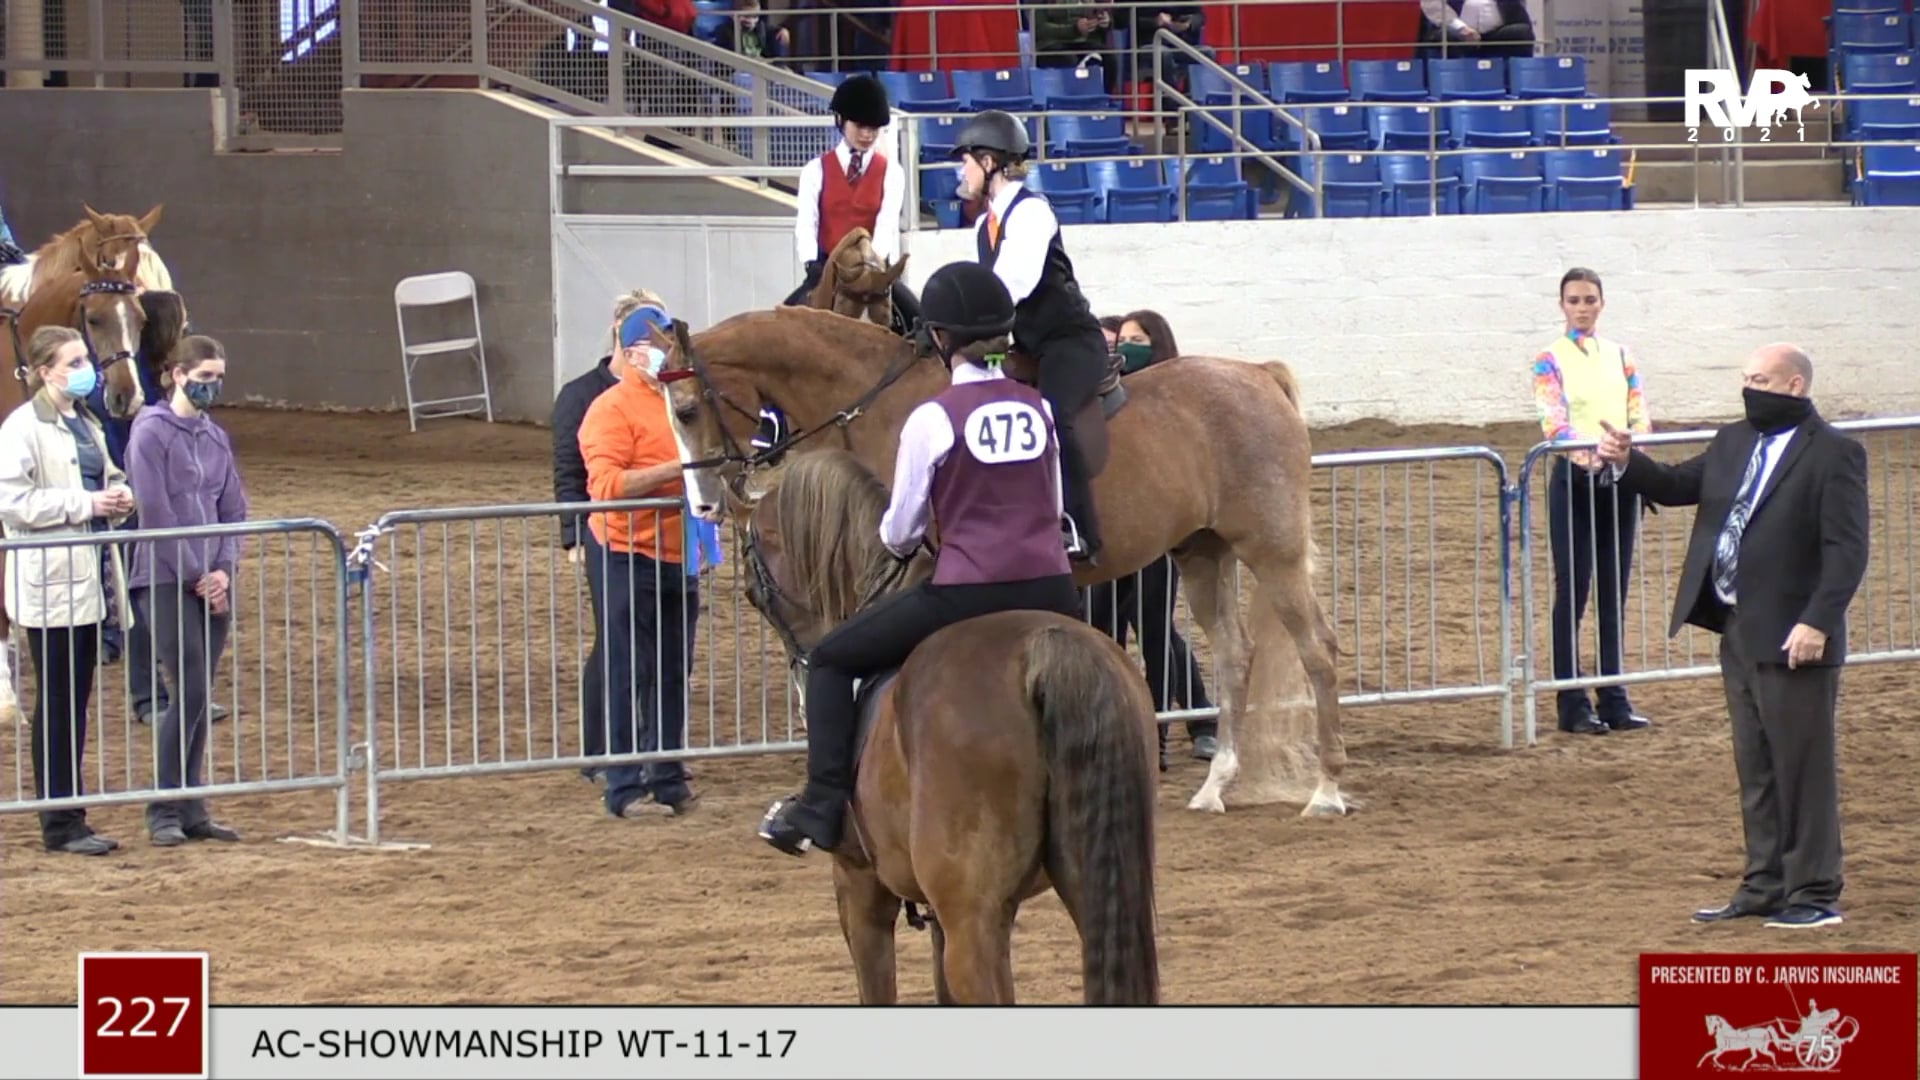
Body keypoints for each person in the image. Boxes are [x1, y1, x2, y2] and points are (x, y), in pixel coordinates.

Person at [757, 260, 1086, 857]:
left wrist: (902, 544)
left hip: (969, 593)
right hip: (1055, 592)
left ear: (939, 339)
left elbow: (902, 527)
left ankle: (821, 805)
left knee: (831, 661)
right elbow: (1055, 503)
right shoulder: (1038, 407)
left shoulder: (933, 418)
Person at [1594, 343, 1868, 930]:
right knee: (1757, 764)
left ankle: (1814, 891)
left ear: (1794, 385)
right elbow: (1672, 486)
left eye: (1760, 378)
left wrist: (1817, 621)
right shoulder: (1734, 440)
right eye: (1745, 377)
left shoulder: (1835, 454)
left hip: (1797, 635)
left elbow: (1847, 551)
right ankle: (1765, 882)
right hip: (1739, 629)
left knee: (1803, 767)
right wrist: (1626, 460)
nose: (1749, 388)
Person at [950, 108, 1109, 563]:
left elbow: (1009, 287)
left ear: (989, 162)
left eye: (966, 161)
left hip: (1070, 341)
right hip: (1027, 347)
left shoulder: (1032, 212)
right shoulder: (984, 226)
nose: (962, 171)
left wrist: (959, 319)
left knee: (1051, 415)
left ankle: (1078, 529)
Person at [0, 326, 136, 856]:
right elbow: (13, 502)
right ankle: (59, 820)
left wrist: (118, 495)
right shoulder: (21, 428)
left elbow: (105, 475)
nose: (88, 370)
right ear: (44, 371)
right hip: (50, 580)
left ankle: (71, 812)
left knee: (75, 702)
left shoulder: (88, 422)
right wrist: (85, 505)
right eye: (75, 361)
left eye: (87, 359)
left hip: (88, 577)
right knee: (58, 702)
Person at [577, 302, 701, 818]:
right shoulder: (608, 410)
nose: (665, 350)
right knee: (628, 669)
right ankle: (624, 785)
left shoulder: (680, 400)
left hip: (678, 553)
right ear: (631, 352)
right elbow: (605, 488)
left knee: (674, 668)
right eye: (656, 342)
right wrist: (679, 469)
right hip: (626, 553)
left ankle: (667, 776)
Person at [124, 335, 248, 847]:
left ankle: (191, 806)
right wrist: (200, 573)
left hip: (207, 582)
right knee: (191, 686)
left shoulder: (214, 437)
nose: (211, 388)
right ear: (177, 375)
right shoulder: (150, 433)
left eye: (217, 378)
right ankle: (165, 805)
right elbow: (155, 513)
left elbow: (234, 509)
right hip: (162, 576)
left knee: (198, 694)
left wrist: (223, 569)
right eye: (202, 378)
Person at [1089, 309, 1215, 769]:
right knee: (1107, 628)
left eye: (1134, 339)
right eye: (1118, 341)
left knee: (1156, 631)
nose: (1123, 349)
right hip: (1108, 529)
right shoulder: (1103, 399)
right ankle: (1135, 727)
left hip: (1153, 530)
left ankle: (1174, 731)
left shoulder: (1167, 410)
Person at [1532, 268, 1650, 735]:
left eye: (1590, 299)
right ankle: (1572, 700)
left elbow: (1639, 412)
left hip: (1619, 479)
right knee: (1574, 589)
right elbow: (1553, 422)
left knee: (1613, 590)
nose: (1583, 307)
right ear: (1562, 305)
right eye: (1574, 300)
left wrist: (1628, 448)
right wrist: (1595, 452)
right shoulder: (1549, 359)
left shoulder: (1621, 355)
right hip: (1575, 480)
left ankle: (1614, 693)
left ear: (1601, 304)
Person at [553, 288, 660, 783]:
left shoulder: (661, 392)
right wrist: (574, 534)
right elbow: (570, 472)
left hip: (660, 536)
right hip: (608, 535)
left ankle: (644, 748)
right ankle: (602, 751)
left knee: (652, 645)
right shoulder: (582, 396)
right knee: (616, 642)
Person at [784, 73, 918, 330]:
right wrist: (811, 262)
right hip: (827, 268)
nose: (867, 135)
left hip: (873, 268)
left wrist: (872, 266)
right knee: (781, 327)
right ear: (841, 121)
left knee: (919, 317)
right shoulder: (816, 170)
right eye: (860, 126)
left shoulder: (892, 172)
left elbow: (886, 223)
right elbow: (807, 222)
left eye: (873, 129)